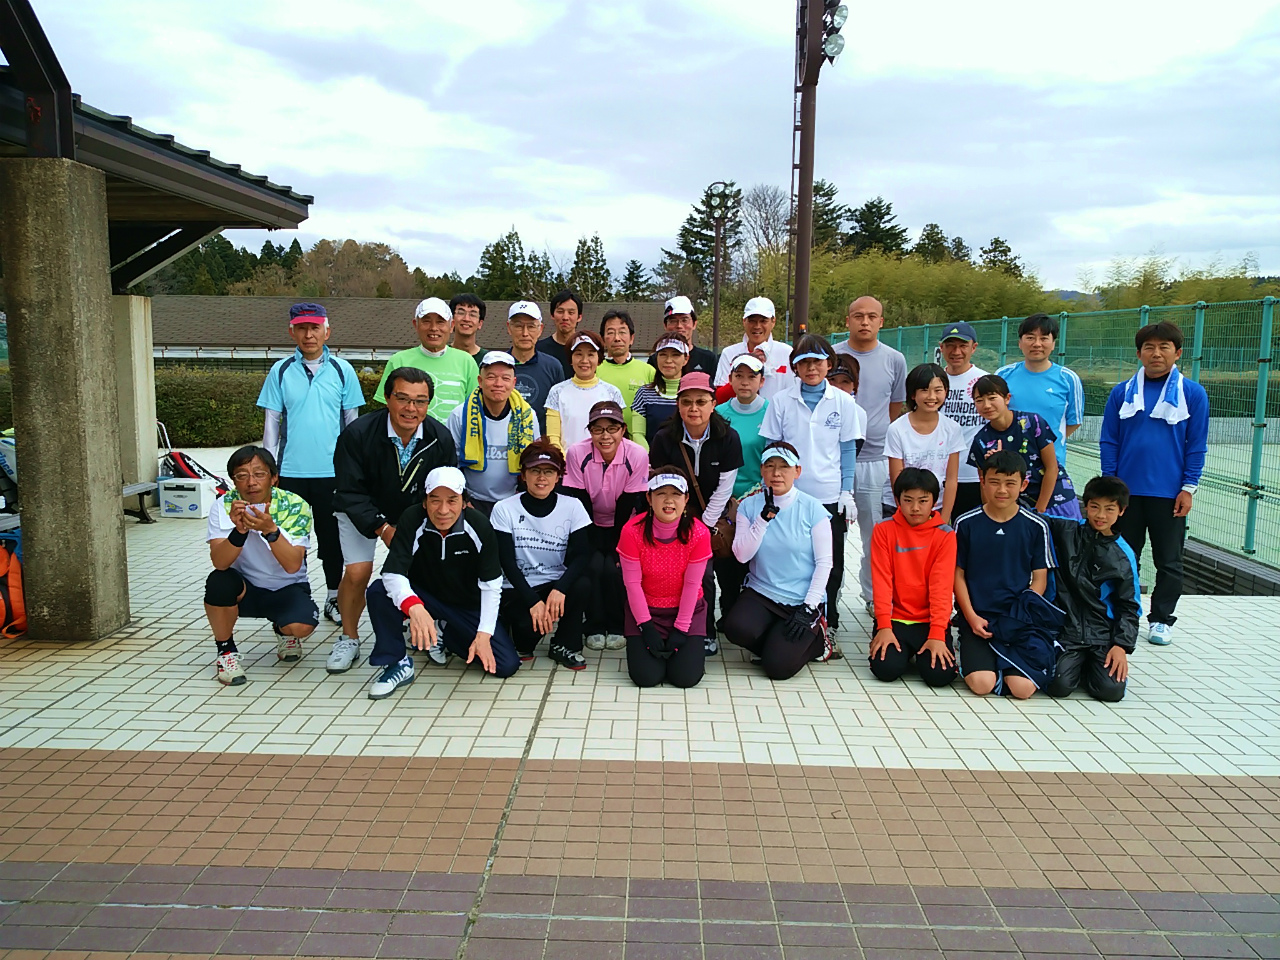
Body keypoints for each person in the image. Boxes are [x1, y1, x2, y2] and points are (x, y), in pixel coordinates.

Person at [331, 367, 457, 673]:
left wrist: (413, 524)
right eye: (403, 398)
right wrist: (382, 526)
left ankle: (426, 629)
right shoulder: (358, 433)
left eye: (420, 401)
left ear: (428, 404)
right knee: (358, 571)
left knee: (428, 567)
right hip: (360, 509)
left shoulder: (439, 437)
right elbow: (349, 490)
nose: (411, 408)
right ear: (387, 398)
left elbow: (444, 487)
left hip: (412, 513)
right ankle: (348, 637)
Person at [363, 467, 520, 699]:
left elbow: (491, 584)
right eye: (435, 500)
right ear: (425, 502)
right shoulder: (412, 518)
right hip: (425, 598)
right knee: (378, 591)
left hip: (467, 605)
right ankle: (396, 663)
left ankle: (443, 631)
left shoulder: (479, 525)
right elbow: (392, 573)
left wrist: (484, 634)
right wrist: (414, 608)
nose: (443, 510)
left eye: (452, 500)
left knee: (505, 665)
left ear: (464, 502)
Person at [1100, 321, 1210, 646]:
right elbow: (1109, 440)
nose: (1156, 353)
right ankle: (1122, 615)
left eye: (1164, 347)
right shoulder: (1122, 392)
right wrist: (1110, 486)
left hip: (1169, 494)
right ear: (1139, 354)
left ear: (1178, 353)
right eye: (1149, 347)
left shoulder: (1192, 393)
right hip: (1126, 494)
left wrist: (1188, 488)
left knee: (1169, 561)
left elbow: (1196, 445)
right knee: (1122, 557)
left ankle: (1161, 620)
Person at [257, 302, 363, 627]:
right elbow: (272, 422)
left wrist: (353, 469)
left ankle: (333, 596)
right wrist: (268, 470)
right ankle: (296, 597)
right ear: (292, 332)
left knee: (332, 541)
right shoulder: (280, 371)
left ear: (326, 331)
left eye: (315, 327)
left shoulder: (343, 370)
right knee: (291, 539)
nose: (309, 334)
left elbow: (352, 425)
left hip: (332, 474)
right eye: (302, 328)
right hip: (291, 473)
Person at [760, 335, 864, 631]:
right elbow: (771, 447)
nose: (811, 368)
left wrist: (846, 491)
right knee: (787, 557)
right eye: (804, 362)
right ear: (795, 367)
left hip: (829, 495)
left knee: (830, 562)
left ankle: (828, 624)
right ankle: (783, 616)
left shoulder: (843, 402)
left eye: (817, 362)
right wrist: (770, 489)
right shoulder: (781, 401)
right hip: (789, 495)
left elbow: (847, 449)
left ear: (829, 364)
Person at [203, 446, 316, 686]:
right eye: (242, 475)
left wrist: (270, 531)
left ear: (274, 478)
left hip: (287, 585)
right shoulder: (224, 506)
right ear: (233, 480)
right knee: (218, 582)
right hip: (245, 587)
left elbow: (292, 565)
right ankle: (226, 651)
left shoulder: (295, 505)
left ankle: (283, 631)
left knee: (301, 626)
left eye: (259, 474)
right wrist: (239, 531)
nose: (251, 482)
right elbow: (220, 562)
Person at [723, 442, 836, 679]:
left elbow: (824, 563)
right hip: (761, 592)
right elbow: (742, 555)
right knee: (735, 628)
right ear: (761, 470)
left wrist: (809, 606)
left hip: (800, 600)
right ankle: (777, 643)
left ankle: (818, 642)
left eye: (784, 467)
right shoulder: (748, 506)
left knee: (777, 668)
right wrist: (763, 520)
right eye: (770, 466)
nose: (776, 473)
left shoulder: (813, 509)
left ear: (797, 471)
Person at [649, 372, 743, 650]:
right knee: (690, 574)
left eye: (701, 401)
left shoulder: (728, 437)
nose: (694, 408)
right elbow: (659, 484)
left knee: (714, 571)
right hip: (675, 513)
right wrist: (676, 520)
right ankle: (685, 626)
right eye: (686, 402)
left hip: (714, 514)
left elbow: (725, 486)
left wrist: (704, 525)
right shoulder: (664, 437)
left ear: (713, 404)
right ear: (678, 405)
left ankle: (715, 629)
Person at [953, 449, 1057, 700]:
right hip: (978, 618)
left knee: (1022, 690)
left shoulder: (1036, 525)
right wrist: (971, 617)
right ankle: (976, 654)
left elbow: (1040, 579)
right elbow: (957, 575)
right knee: (981, 684)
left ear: (1023, 485)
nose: (1002, 490)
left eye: (1010, 483)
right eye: (994, 482)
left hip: (1017, 621)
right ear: (982, 482)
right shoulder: (965, 523)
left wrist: (1017, 617)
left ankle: (1004, 664)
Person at [834, 296, 908, 616]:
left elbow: (895, 405)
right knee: (831, 536)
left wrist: (874, 432)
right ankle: (829, 600)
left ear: (881, 322)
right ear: (847, 320)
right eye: (858, 316)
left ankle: (874, 596)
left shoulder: (895, 359)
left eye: (872, 316)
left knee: (875, 534)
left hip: (876, 459)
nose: (865, 322)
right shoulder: (832, 355)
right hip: (833, 461)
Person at [492, 441, 592, 668]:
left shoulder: (573, 506)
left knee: (582, 584)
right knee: (525, 640)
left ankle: (565, 644)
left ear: (558, 477)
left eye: (549, 472)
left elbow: (582, 556)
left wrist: (560, 589)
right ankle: (515, 630)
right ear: (523, 475)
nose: (541, 478)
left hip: (553, 583)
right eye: (535, 470)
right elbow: (506, 561)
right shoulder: (504, 508)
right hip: (518, 588)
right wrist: (533, 601)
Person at [563, 400, 650, 651]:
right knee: (591, 567)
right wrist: (589, 542)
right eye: (598, 429)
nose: (605, 436)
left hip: (624, 523)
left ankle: (617, 625)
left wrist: (615, 548)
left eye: (612, 428)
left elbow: (628, 502)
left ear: (623, 429)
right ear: (589, 431)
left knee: (614, 569)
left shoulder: (637, 454)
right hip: (588, 520)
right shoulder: (577, 453)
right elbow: (579, 499)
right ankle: (593, 625)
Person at [1045, 476, 1141, 702]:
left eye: (1109, 509)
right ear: (1085, 506)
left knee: (1111, 691)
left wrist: (1121, 646)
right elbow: (1031, 519)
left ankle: (1088, 667)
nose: (1101, 515)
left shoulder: (1123, 555)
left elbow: (1130, 606)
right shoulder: (1066, 530)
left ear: (1121, 511)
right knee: (1057, 685)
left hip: (1102, 635)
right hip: (1067, 630)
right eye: (1095, 507)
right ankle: (1076, 666)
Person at [618, 468, 712, 688]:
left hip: (687, 612)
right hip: (646, 612)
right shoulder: (631, 531)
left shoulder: (699, 533)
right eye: (661, 493)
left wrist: (681, 628)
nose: (668, 501)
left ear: (686, 499)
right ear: (649, 498)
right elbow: (632, 584)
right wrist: (646, 627)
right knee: (646, 678)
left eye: (676, 494)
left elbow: (692, 585)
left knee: (685, 679)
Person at [868, 468, 957, 687]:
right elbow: (881, 581)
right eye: (908, 500)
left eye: (923, 501)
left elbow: (942, 586)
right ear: (897, 500)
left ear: (934, 501)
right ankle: (905, 653)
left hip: (929, 621)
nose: (915, 508)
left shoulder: (945, 535)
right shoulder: (883, 530)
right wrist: (884, 626)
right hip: (895, 619)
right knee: (886, 670)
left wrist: (937, 633)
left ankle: (918, 652)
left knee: (940, 676)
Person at [969, 374, 1081, 518]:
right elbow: (984, 483)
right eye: (979, 400)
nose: (986, 405)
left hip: (1056, 499)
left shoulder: (1033, 422)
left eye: (992, 398)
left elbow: (1052, 468)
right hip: (1018, 507)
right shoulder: (981, 440)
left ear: (1007, 398)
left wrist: (1039, 510)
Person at [446, 351, 541, 516]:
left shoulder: (528, 416)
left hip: (513, 500)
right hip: (471, 501)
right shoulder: (460, 415)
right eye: (491, 377)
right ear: (480, 381)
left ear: (514, 382)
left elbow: (534, 460)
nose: (498, 384)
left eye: (505, 378)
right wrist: (463, 498)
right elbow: (450, 462)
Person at [714, 354, 769, 617]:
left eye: (751, 377)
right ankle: (727, 609)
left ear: (762, 381)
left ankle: (748, 613)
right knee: (725, 555)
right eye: (739, 376)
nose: (745, 382)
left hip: (759, 498)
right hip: (725, 499)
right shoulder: (718, 413)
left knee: (753, 558)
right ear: (731, 379)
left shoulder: (771, 412)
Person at [995, 313, 1084, 468]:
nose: (1037, 344)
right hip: (1008, 466)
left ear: (1053, 344)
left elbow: (1074, 422)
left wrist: (1045, 443)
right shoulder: (1002, 375)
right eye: (1030, 338)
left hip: (1051, 466)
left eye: (1044, 338)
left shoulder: (1068, 379)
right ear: (1020, 343)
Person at [373, 297, 479, 423]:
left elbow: (475, 409)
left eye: (440, 322)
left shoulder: (466, 362)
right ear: (416, 325)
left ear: (451, 326)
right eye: (426, 321)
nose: (433, 328)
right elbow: (386, 409)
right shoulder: (399, 360)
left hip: (453, 436)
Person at [884, 363, 966, 524]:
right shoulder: (897, 429)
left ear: (946, 392)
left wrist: (944, 519)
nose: (931, 397)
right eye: (924, 390)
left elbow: (951, 479)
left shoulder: (952, 429)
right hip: (900, 507)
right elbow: (896, 478)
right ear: (912, 394)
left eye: (938, 390)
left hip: (935, 507)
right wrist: (905, 513)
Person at [937, 322, 988, 517]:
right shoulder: (933, 380)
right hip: (936, 472)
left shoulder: (984, 381)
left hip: (973, 475)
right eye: (950, 345)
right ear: (941, 347)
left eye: (963, 345)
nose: (956, 351)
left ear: (973, 347)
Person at [544, 331, 625, 451]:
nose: (584, 360)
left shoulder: (612, 392)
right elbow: (553, 438)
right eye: (578, 354)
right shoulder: (557, 392)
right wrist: (567, 459)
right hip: (567, 461)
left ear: (599, 359)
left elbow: (617, 435)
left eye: (591, 354)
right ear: (570, 359)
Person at [714, 297, 794, 399]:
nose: (757, 326)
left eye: (763, 321)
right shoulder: (729, 353)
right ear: (744, 321)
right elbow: (719, 397)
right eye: (752, 321)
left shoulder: (787, 353)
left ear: (773, 322)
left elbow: (794, 392)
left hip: (777, 410)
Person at [596, 308, 653, 439]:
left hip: (638, 444)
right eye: (610, 333)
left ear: (631, 338)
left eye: (622, 332)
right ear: (603, 339)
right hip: (603, 441)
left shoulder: (648, 371)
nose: (617, 338)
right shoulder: (594, 370)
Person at [505, 300, 565, 423]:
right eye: (518, 326)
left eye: (531, 326)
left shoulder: (553, 367)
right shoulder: (497, 365)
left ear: (540, 329)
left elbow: (561, 410)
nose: (525, 333)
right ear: (509, 328)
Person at [631, 333, 689, 446]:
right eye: (663, 355)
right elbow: (638, 434)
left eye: (675, 355)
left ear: (686, 359)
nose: (668, 360)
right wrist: (648, 456)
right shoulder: (644, 394)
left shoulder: (694, 393)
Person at [647, 296, 717, 375]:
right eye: (673, 321)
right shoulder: (655, 360)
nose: (679, 326)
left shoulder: (708, 358)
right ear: (665, 325)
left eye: (684, 320)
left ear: (694, 324)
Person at [537, 289, 584, 378]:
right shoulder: (538, 350)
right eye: (560, 312)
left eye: (571, 313)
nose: (565, 317)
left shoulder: (587, 350)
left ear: (579, 317)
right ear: (552, 315)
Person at [449, 293, 487, 365]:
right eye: (461, 313)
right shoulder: (441, 355)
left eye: (472, 315)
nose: (466, 319)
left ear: (480, 323)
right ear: (452, 319)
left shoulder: (488, 359)